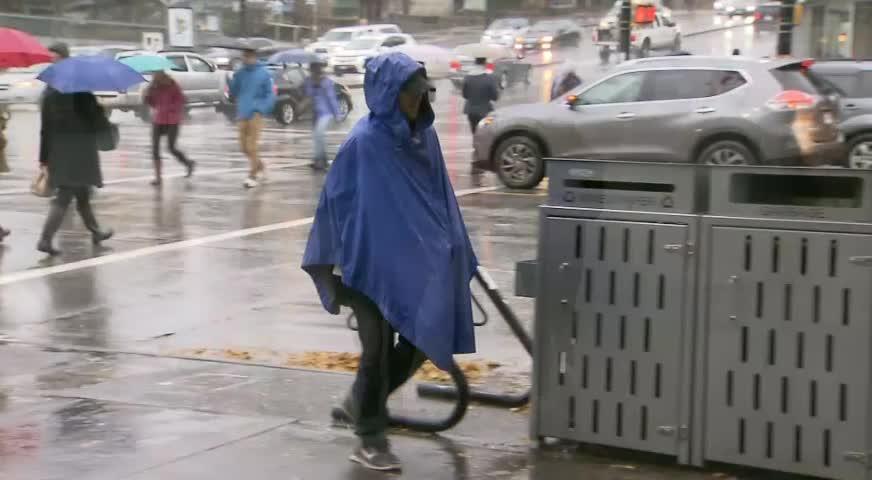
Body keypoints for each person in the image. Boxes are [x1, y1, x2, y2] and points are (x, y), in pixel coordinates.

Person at [302, 52, 477, 472]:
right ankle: (370, 437)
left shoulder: (424, 138)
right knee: (377, 348)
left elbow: (439, 198)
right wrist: (348, 259)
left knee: (423, 336)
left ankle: (360, 403)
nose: (417, 104)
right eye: (410, 97)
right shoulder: (364, 143)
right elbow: (339, 207)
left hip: (409, 262)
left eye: (421, 97)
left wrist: (453, 244)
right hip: (359, 265)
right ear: (387, 94)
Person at [37, 88, 113, 255]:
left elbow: (45, 129)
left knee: (82, 193)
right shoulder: (84, 95)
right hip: (81, 150)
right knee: (64, 195)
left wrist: (43, 158)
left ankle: (96, 231)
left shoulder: (49, 97)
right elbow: (97, 122)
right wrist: (101, 110)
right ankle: (45, 239)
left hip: (57, 150)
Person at [229, 48, 275, 188]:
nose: (246, 59)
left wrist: (261, 108)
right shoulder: (240, 73)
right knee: (243, 147)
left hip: (256, 113)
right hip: (242, 112)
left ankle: (253, 175)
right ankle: (260, 166)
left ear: (255, 57)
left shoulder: (264, 74)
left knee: (252, 146)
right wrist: (232, 80)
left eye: (249, 56)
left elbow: (270, 94)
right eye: (244, 56)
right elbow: (234, 91)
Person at [144, 71, 194, 186]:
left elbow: (182, 100)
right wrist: (147, 95)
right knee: (155, 148)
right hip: (158, 120)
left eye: (156, 75)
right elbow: (152, 103)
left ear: (161, 75)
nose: (154, 77)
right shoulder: (154, 87)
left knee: (171, 148)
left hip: (172, 121)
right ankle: (158, 177)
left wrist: (171, 108)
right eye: (153, 75)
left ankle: (188, 163)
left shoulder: (173, 85)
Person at [462, 57, 499, 186]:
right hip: (484, 112)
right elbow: (495, 96)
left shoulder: (468, 77)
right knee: (483, 136)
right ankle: (479, 161)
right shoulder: (489, 78)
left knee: (475, 135)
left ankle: (475, 162)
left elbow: (465, 95)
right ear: (484, 63)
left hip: (471, 111)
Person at [304, 60, 341, 170]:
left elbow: (332, 99)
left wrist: (337, 114)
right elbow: (309, 95)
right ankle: (321, 160)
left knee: (319, 135)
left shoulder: (326, 82)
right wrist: (313, 85)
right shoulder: (309, 81)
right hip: (315, 113)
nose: (313, 73)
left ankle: (318, 160)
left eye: (315, 70)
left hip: (326, 113)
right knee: (317, 137)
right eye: (311, 70)